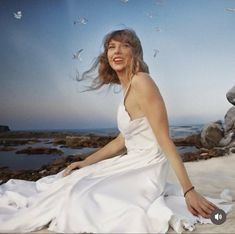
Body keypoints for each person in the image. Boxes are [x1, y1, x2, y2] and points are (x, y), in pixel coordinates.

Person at [0, 29, 232, 233]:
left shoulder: (142, 82)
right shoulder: (127, 87)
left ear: (135, 53)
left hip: (147, 166)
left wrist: (188, 190)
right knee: (67, 183)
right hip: (131, 160)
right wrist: (86, 161)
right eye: (111, 47)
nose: (117, 51)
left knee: (79, 199)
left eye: (125, 45)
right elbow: (122, 139)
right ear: (106, 56)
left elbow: (164, 140)